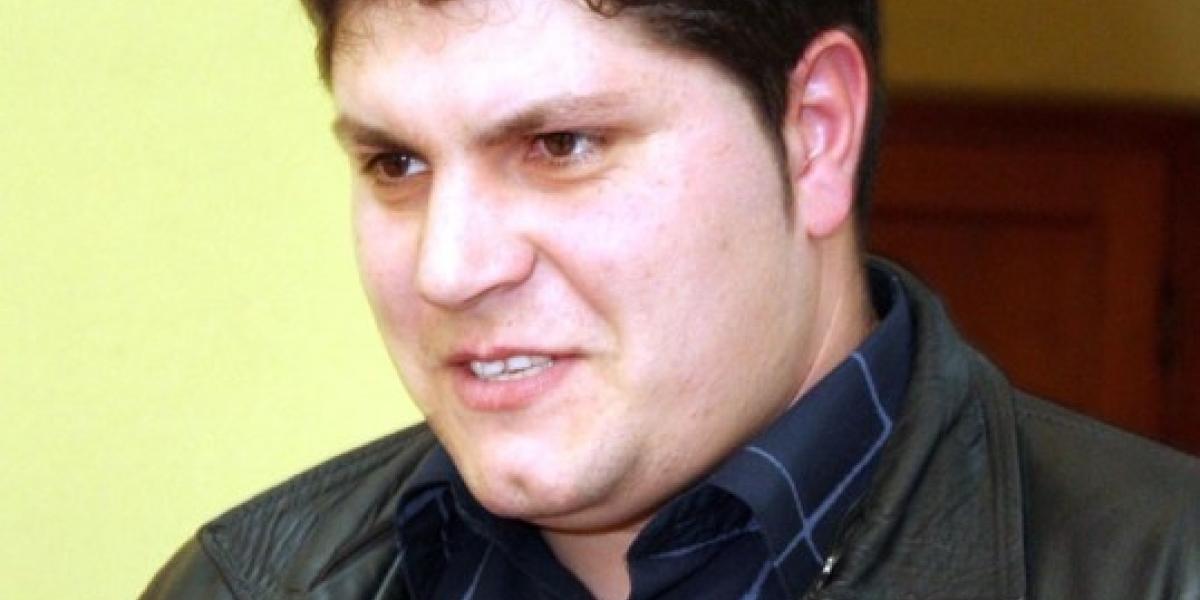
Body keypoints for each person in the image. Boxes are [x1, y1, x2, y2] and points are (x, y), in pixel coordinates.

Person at [142, 1, 1200, 598]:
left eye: (561, 145)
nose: (448, 269)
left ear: (815, 133)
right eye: (396, 164)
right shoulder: (241, 588)